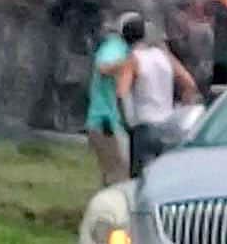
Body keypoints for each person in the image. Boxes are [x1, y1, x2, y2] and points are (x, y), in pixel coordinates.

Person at [116, 12, 199, 179]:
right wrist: (181, 109)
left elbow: (121, 93)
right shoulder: (164, 56)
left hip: (144, 125)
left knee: (141, 180)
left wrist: (128, 121)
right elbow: (189, 84)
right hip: (168, 124)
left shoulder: (132, 59)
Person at [84, 11, 133, 186]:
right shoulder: (115, 47)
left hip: (111, 122)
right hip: (106, 122)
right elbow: (103, 67)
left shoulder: (123, 49)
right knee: (118, 176)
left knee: (115, 175)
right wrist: (128, 63)